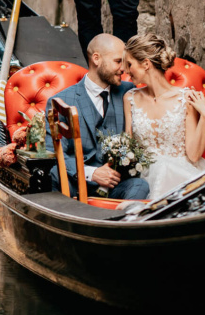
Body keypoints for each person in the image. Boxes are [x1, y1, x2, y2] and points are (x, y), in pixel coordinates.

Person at [45, 33, 149, 200]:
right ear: (96, 59)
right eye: (118, 61)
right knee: (55, 174)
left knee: (140, 185)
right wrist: (92, 173)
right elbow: (53, 153)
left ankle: (125, 222)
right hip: (77, 184)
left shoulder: (128, 92)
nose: (123, 69)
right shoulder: (62, 101)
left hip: (117, 184)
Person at [123, 33, 205, 198]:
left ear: (146, 64)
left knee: (165, 169)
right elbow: (129, 148)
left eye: (129, 64)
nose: (126, 71)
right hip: (145, 176)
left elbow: (193, 155)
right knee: (161, 168)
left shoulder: (185, 99)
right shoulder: (130, 98)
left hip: (183, 173)